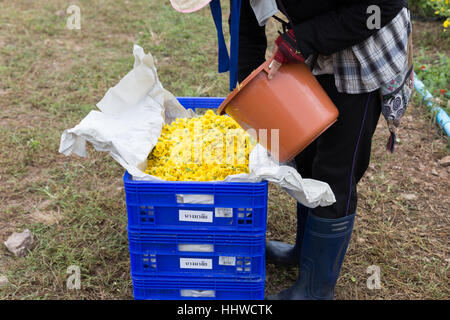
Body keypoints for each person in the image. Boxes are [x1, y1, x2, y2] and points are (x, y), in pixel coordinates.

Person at [170, 0, 413, 300]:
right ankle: (304, 252)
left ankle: (315, 290)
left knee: (335, 172)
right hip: (313, 50)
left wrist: (302, 40)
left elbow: (384, 5)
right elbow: (246, 24)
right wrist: (248, 89)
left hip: (362, 50)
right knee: (307, 157)